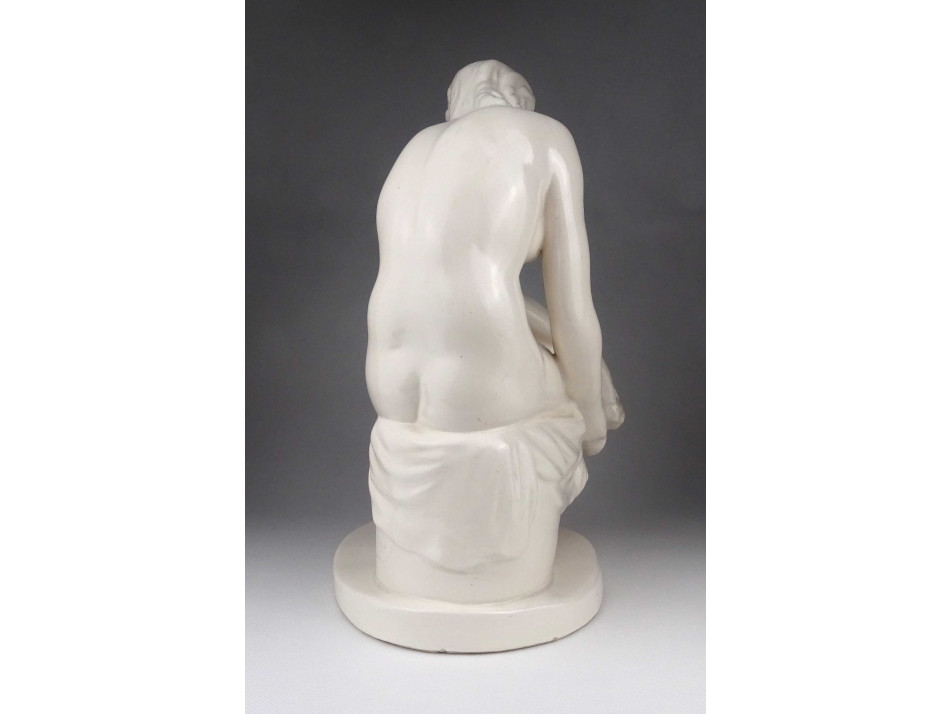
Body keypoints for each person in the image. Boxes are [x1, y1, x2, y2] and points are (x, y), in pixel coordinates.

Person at [365, 60, 622, 601]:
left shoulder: (415, 148)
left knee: (546, 357)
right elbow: (572, 308)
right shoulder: (545, 137)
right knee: (567, 397)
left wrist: (592, 371)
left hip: (385, 376)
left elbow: (450, 289)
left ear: (454, 105)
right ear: (520, 99)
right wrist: (592, 415)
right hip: (481, 385)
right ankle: (504, 571)